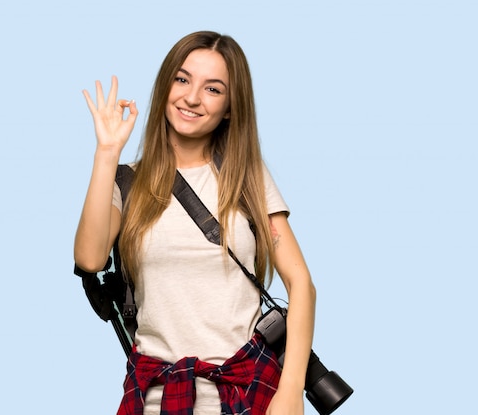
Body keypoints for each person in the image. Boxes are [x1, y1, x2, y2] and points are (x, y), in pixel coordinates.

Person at [74, 31, 316, 415]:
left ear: (231, 108)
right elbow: (89, 258)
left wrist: (291, 393)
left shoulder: (246, 177)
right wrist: (107, 151)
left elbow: (300, 283)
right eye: (182, 79)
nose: (191, 97)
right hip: (156, 395)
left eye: (213, 89)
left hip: (247, 389)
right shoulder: (126, 182)